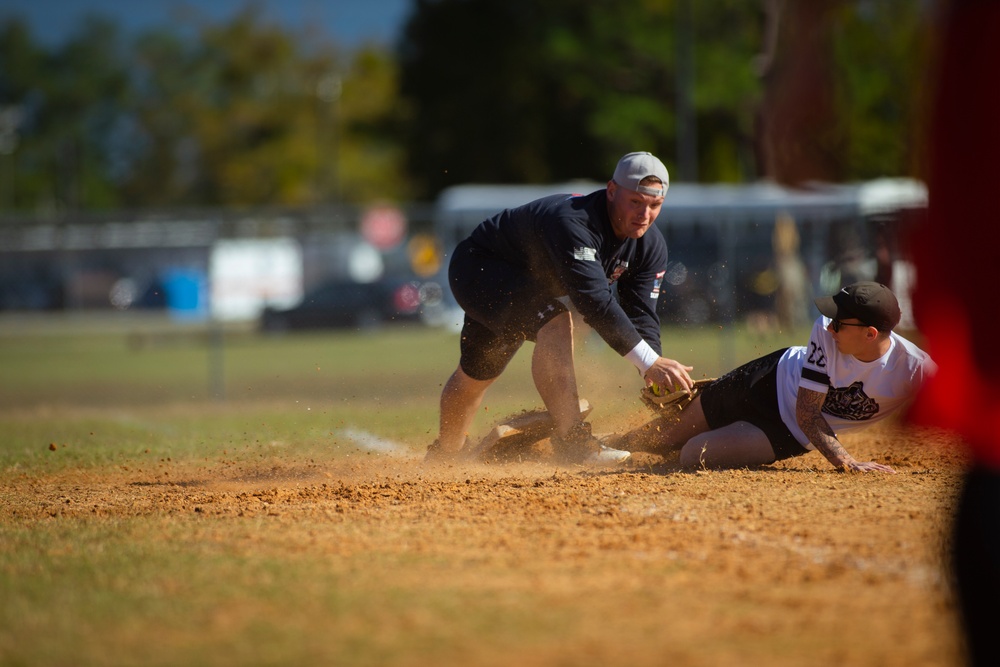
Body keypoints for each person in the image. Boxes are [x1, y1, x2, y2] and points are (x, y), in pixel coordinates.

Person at [425, 151, 696, 465]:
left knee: (477, 373)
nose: (645, 214)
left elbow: (641, 313)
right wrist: (649, 363)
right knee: (554, 321)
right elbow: (595, 303)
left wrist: (653, 370)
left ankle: (443, 456)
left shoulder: (649, 246)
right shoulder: (575, 222)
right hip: (480, 269)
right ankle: (574, 445)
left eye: (654, 205)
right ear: (611, 191)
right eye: (635, 202)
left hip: (523, 285)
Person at [619, 282, 935, 472]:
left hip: (787, 433)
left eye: (840, 324)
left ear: (870, 334)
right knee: (660, 435)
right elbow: (809, 412)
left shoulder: (914, 369)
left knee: (692, 454)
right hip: (765, 380)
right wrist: (846, 462)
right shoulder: (825, 330)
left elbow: (967, 408)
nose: (829, 327)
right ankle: (595, 449)